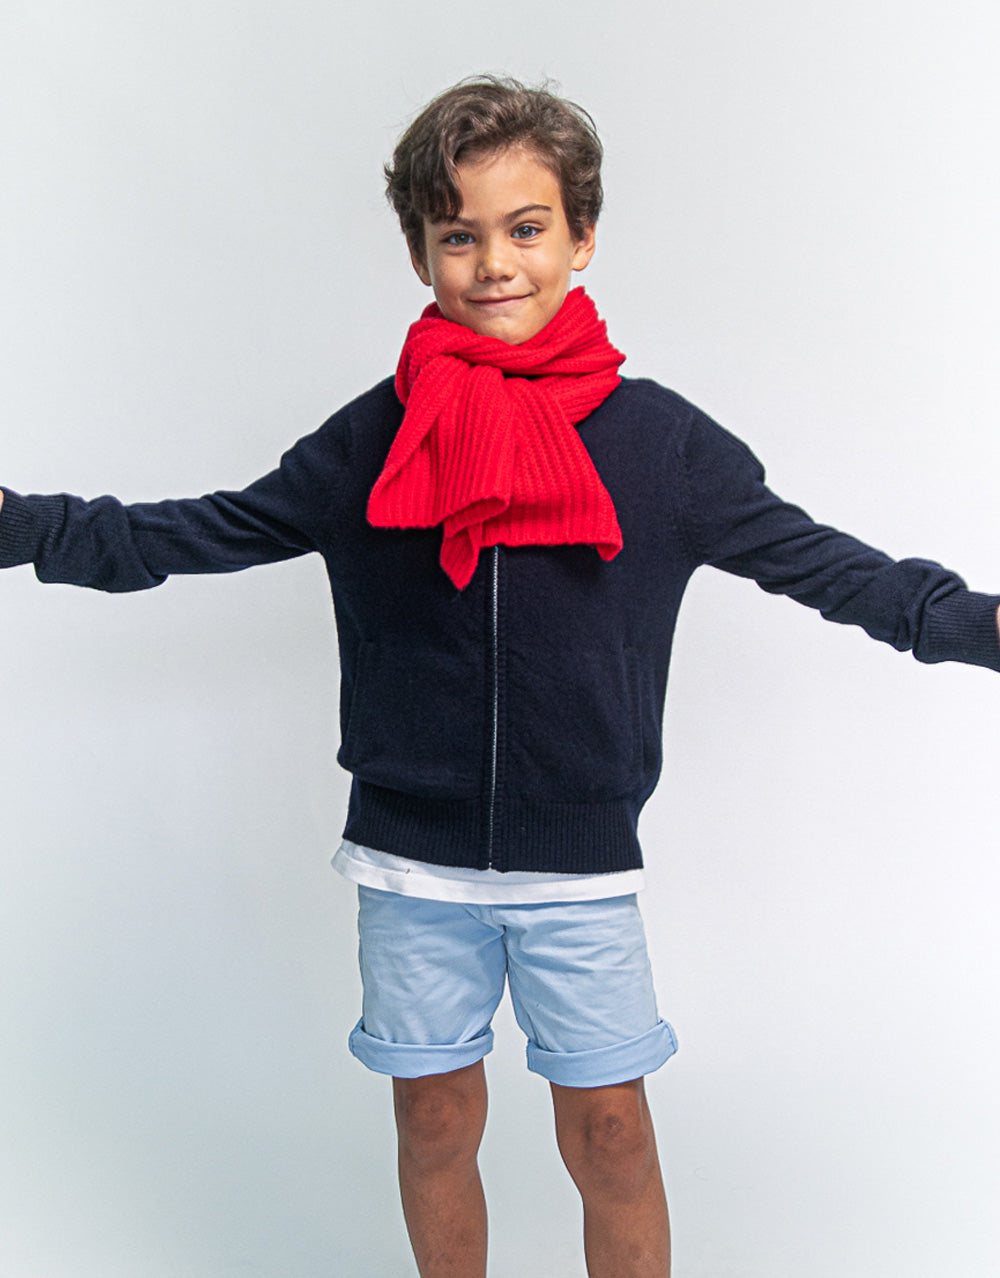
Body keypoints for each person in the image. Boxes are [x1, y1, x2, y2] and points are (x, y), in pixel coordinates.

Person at [1, 75, 998, 1278]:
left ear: (582, 237)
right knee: (432, 1122)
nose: (493, 264)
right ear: (421, 255)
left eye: (526, 227)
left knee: (613, 1134)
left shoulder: (663, 446)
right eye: (458, 235)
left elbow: (833, 570)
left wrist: (978, 625)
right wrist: (20, 524)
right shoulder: (371, 438)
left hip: (579, 864)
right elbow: (189, 532)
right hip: (410, 859)